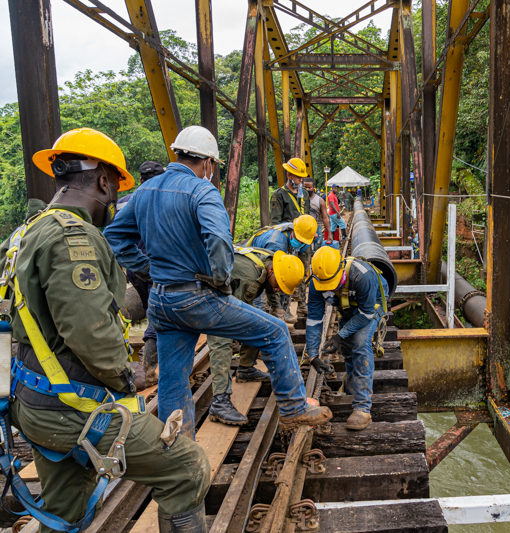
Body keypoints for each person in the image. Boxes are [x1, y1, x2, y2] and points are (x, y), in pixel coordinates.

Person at [0, 128, 211, 532]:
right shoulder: (71, 237)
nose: (115, 196)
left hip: (31, 401)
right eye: (115, 186)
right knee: (186, 468)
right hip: (74, 407)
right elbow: (91, 332)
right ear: (102, 180)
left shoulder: (22, 234)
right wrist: (123, 375)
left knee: (65, 510)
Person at [104, 125, 331, 440]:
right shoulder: (201, 190)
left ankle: (178, 446)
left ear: (178, 153)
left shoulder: (144, 192)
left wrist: (149, 269)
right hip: (195, 297)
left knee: (173, 380)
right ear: (208, 164)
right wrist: (220, 279)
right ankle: (294, 408)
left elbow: (114, 238)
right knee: (276, 332)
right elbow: (218, 239)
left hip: (161, 303)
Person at [206, 249, 305, 425]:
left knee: (258, 322)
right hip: (204, 297)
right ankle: (220, 401)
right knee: (222, 341)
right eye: (278, 285)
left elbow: (271, 286)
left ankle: (245, 369)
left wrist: (277, 308)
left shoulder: (270, 261)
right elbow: (227, 313)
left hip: (226, 290)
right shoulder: (249, 278)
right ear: (271, 271)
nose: (276, 289)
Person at [306, 247, 389, 431]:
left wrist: (339, 334)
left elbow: (366, 313)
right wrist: (313, 356)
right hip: (349, 306)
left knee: (359, 343)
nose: (328, 288)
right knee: (346, 347)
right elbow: (314, 320)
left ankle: (362, 408)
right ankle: (352, 385)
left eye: (332, 284)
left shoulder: (362, 276)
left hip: (370, 306)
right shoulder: (316, 283)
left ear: (342, 269)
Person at [118, 160, 165, 386]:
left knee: (150, 312)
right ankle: (148, 368)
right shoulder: (162, 199)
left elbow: (115, 235)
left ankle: (150, 357)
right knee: (157, 317)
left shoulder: (124, 201)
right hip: (156, 268)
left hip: (133, 269)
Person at [246, 215, 317, 326]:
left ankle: (277, 317)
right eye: (299, 239)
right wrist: (275, 306)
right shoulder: (276, 244)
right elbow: (271, 277)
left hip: (261, 265)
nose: (300, 242)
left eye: (303, 241)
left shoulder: (289, 230)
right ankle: (258, 329)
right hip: (252, 269)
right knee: (258, 303)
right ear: (294, 230)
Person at [270, 158, 312, 319]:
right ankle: (283, 308)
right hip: (288, 242)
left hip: (304, 243)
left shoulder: (305, 195)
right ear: (289, 175)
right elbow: (275, 224)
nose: (301, 180)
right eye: (297, 177)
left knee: (302, 272)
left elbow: (307, 216)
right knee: (287, 274)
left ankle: (301, 303)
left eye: (302, 177)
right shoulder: (279, 196)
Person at [302, 177, 332, 249]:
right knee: (304, 252)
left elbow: (325, 217)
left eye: (309, 187)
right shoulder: (299, 199)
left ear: (314, 187)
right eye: (305, 187)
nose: (307, 189)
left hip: (316, 228)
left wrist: (329, 233)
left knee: (317, 250)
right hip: (303, 229)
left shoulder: (320, 201)